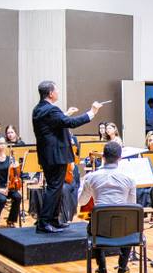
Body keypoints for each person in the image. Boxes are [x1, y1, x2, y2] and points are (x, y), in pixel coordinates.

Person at [32, 80, 102, 234]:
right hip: (56, 156)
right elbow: (71, 123)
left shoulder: (38, 109)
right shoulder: (51, 110)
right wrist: (92, 112)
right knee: (54, 188)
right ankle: (44, 222)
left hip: (48, 155)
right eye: (56, 90)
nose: (57, 92)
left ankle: (53, 220)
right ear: (50, 93)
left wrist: (66, 114)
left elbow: (55, 122)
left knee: (55, 188)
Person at [77, 142, 136, 273]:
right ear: (120, 158)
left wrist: (82, 184)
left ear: (102, 156)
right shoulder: (129, 178)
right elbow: (132, 205)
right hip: (122, 227)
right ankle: (123, 266)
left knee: (92, 227)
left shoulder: (92, 177)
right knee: (131, 224)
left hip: (100, 228)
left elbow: (82, 201)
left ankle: (102, 268)